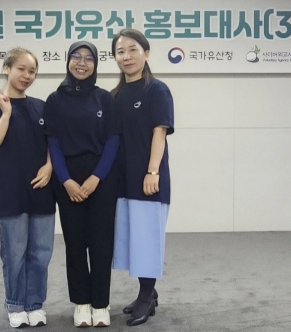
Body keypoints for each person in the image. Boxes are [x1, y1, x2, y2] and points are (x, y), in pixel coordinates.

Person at [43, 41, 121, 327]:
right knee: (75, 242)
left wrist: (96, 177)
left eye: (89, 58)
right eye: (76, 56)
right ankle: (82, 303)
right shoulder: (55, 100)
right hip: (67, 179)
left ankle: (101, 304)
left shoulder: (105, 99)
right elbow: (52, 141)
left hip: (101, 176)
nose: (82, 62)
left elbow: (114, 139)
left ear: (96, 65)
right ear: (67, 61)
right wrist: (65, 180)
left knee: (101, 243)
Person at [0, 47, 56, 328]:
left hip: (43, 191)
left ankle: (35, 304)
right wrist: (6, 115)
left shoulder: (41, 107)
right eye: (21, 68)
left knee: (41, 252)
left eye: (32, 71)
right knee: (14, 253)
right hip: (10, 191)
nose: (27, 75)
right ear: (7, 69)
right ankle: (15, 304)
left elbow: (53, 144)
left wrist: (50, 167)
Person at [110, 29, 175, 327]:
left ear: (146, 53)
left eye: (133, 49)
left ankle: (147, 298)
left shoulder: (156, 90)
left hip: (148, 179)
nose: (127, 56)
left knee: (147, 239)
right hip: (121, 182)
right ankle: (145, 291)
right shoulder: (115, 94)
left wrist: (153, 172)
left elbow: (158, 132)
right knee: (132, 241)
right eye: (121, 51)